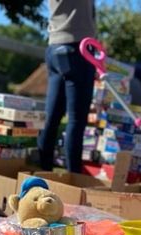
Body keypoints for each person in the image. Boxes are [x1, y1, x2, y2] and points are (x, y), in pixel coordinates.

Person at [37, 0, 96, 173]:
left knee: (52, 117)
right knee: (77, 120)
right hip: (78, 47)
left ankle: (44, 171)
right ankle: (74, 177)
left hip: (54, 45)